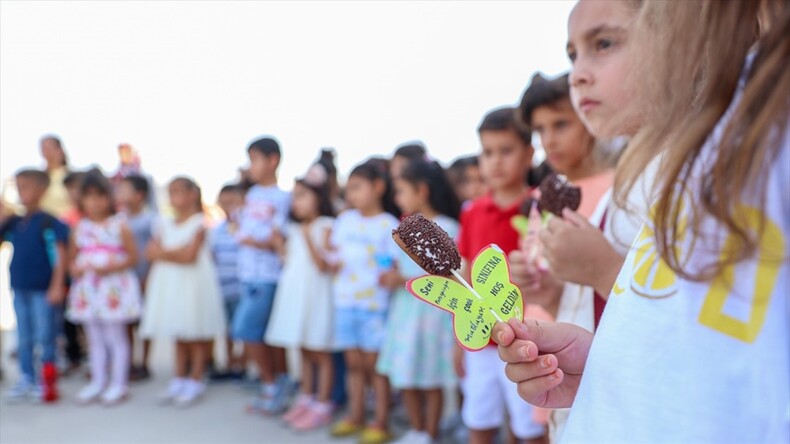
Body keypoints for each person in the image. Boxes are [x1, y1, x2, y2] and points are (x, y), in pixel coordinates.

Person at [494, 0, 789, 442]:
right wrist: (590, 342)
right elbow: (670, 320)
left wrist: (598, 269)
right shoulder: (657, 173)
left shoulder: (726, 155)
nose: (578, 74)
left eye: (605, 43)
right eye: (573, 55)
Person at [456, 107, 545, 444]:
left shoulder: (540, 208)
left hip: (527, 339)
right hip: (480, 343)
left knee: (530, 428)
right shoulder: (473, 211)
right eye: (488, 152)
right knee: (479, 420)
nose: (495, 161)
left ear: (529, 154)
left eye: (505, 151)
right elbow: (463, 274)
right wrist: (458, 340)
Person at [377, 160, 461, 444]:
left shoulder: (449, 227)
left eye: (401, 190)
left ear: (421, 190)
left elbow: (449, 275)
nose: (397, 197)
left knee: (430, 376)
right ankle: (417, 429)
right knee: (405, 372)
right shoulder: (402, 231)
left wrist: (400, 279)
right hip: (405, 312)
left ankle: (430, 432)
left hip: (431, 315)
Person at [329, 160, 400, 444]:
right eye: (350, 188)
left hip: (374, 306)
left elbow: (389, 262)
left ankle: (380, 420)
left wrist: (389, 273)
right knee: (354, 364)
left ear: (378, 187)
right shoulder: (344, 221)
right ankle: (355, 415)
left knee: (375, 366)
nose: (351, 195)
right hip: (345, 303)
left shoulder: (388, 225)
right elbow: (335, 254)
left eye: (358, 187)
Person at [140, 177, 226, 407]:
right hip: (171, 284)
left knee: (196, 334)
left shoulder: (200, 223)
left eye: (178, 191)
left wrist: (164, 253)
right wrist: (174, 252)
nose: (173, 196)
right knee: (178, 333)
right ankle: (179, 378)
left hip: (193, 284)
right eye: (171, 191)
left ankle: (196, 379)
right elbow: (150, 253)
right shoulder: (163, 223)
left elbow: (189, 256)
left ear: (192, 195)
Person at [266, 161, 337, 431]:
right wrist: (278, 246)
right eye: (295, 197)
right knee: (304, 349)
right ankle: (306, 396)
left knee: (319, 349)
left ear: (318, 198)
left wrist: (308, 238)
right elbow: (290, 263)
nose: (296, 202)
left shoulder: (326, 225)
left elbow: (323, 265)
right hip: (297, 295)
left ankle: (323, 401)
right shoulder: (295, 230)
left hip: (317, 296)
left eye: (302, 196)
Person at [67, 171, 142, 405]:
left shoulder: (119, 225)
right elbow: (72, 258)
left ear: (108, 198)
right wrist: (76, 269)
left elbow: (133, 257)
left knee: (116, 337)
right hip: (89, 290)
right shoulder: (80, 227)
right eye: (89, 197)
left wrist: (111, 267)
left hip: (113, 289)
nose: (95, 202)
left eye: (99, 196)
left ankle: (119, 383)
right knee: (94, 338)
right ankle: (98, 381)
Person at [234, 137, 292, 414]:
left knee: (246, 329)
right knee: (262, 332)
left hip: (267, 275)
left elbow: (276, 237)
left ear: (272, 160)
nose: (250, 166)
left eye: (254, 159)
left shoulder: (283, 198)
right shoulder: (253, 194)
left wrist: (251, 239)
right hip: (248, 274)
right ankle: (278, 381)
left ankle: (271, 384)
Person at [0, 169, 68, 403]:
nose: (21, 192)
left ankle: (46, 380)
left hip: (43, 289)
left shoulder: (50, 222)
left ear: (42, 189)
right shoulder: (14, 222)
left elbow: (59, 257)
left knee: (45, 335)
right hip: (20, 287)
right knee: (24, 336)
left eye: (26, 186)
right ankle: (26, 377)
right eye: (18, 187)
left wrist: (57, 285)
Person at [116, 174, 156, 381]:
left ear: (139, 195)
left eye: (124, 189)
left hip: (144, 276)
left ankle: (145, 363)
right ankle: (129, 362)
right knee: (127, 322)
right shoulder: (119, 220)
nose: (119, 193)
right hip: (125, 279)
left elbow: (154, 249)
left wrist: (149, 275)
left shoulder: (151, 220)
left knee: (146, 322)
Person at [209, 184, 246, 380]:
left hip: (242, 288)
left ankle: (244, 363)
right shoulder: (218, 229)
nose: (228, 207)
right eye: (224, 203)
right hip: (223, 288)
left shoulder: (247, 227)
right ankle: (231, 362)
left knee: (244, 328)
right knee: (227, 329)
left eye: (232, 202)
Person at [39, 135, 73, 219]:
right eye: (44, 149)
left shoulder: (71, 176)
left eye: (49, 148)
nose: (47, 153)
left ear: (60, 150)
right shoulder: (38, 179)